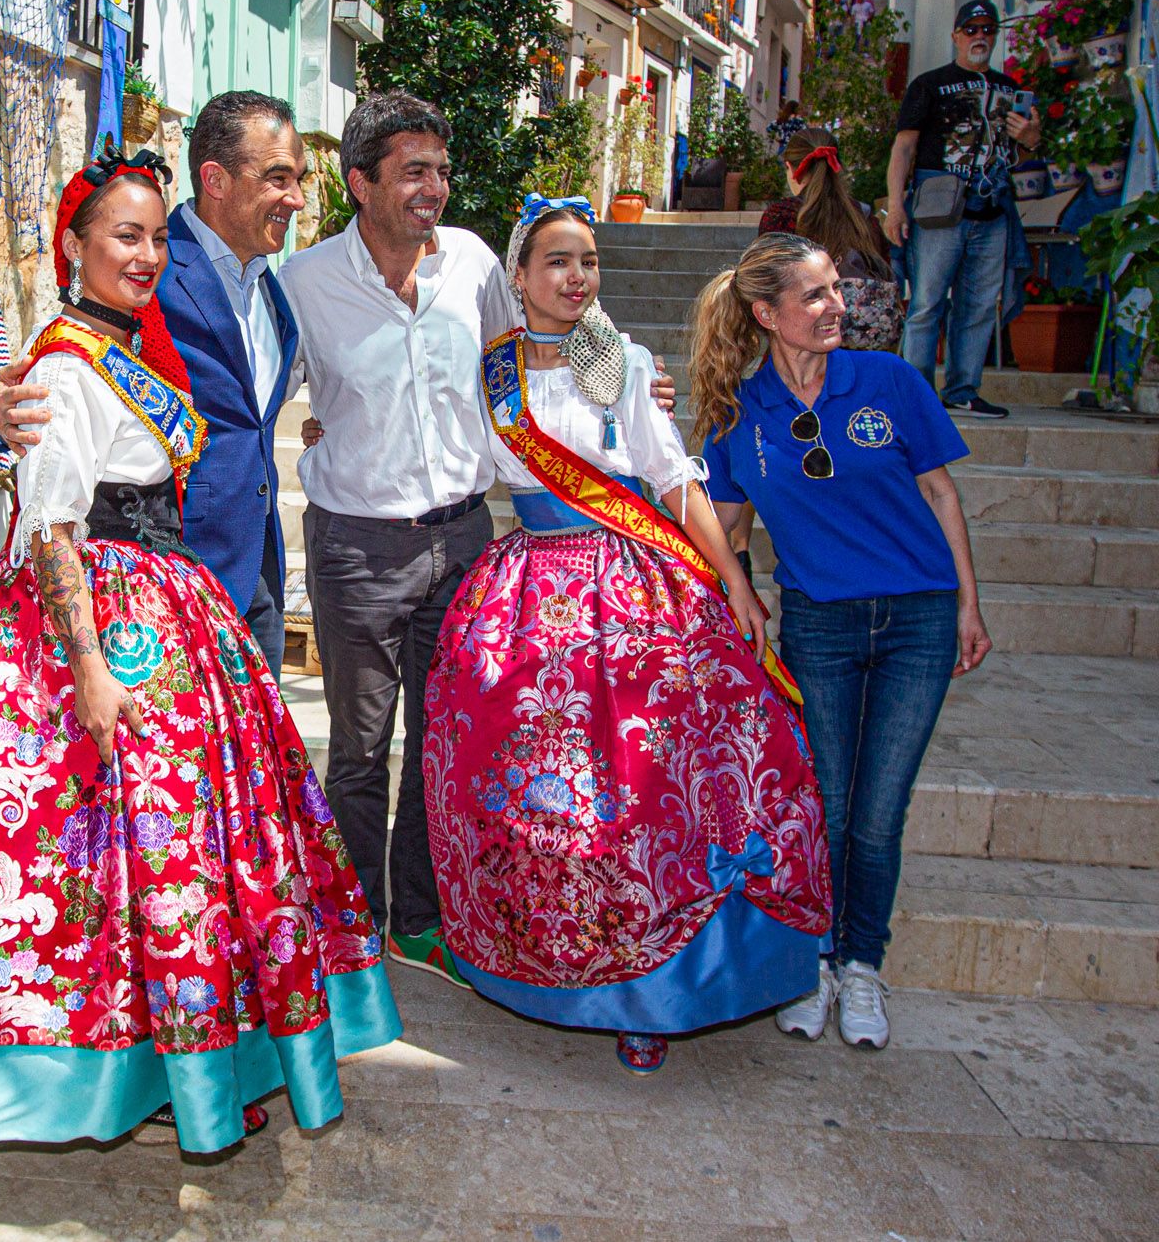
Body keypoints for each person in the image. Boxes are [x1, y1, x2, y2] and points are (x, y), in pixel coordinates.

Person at [0, 153, 398, 1156]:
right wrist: (93, 671)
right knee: (119, 857)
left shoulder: (163, 332)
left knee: (175, 860)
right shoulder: (67, 362)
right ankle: (122, 1072)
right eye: (126, 235)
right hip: (97, 625)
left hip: (182, 596)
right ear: (73, 245)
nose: (148, 253)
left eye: (157, 235)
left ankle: (178, 1062)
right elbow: (52, 524)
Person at [419, 196, 831, 1076]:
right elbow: (446, 455)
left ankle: (656, 992)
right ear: (520, 277)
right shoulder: (490, 372)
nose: (577, 278)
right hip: (528, 600)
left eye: (590, 261)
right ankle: (553, 963)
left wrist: (731, 578)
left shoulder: (627, 361)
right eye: (558, 262)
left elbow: (673, 478)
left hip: (634, 593)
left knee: (651, 793)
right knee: (546, 801)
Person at [282, 92, 679, 984]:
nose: (435, 188)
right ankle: (353, 924)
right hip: (357, 547)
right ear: (360, 182)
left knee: (440, 742)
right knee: (357, 747)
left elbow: (545, 336)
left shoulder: (468, 261)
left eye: (443, 171)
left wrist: (628, 380)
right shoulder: (304, 284)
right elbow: (257, 391)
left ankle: (419, 920)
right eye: (414, 170)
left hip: (464, 538)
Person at [692, 233, 991, 1051]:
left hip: (918, 619)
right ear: (767, 313)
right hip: (819, 622)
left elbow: (941, 492)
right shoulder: (740, 410)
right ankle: (813, 961)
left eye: (837, 291)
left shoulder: (888, 379)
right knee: (820, 802)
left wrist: (968, 603)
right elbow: (725, 525)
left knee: (878, 811)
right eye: (817, 294)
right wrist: (741, 585)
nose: (838, 307)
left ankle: (863, 964)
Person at [0, 93, 307, 673]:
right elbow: (60, 365)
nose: (297, 198)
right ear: (215, 179)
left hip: (249, 570)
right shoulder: (140, 269)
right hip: (144, 595)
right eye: (278, 177)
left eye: (299, 178)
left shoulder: (274, 287)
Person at [885, 0, 1043, 419]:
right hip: (939, 209)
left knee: (977, 307)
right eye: (971, 29)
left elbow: (1023, 158)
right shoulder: (930, 84)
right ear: (956, 35)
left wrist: (1030, 136)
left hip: (992, 211)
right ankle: (918, 394)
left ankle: (963, 389)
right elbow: (904, 147)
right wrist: (895, 206)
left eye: (987, 29)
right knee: (926, 302)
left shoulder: (1010, 90)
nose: (980, 36)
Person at [758, 127, 902, 354]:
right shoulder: (864, 217)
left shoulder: (782, 216)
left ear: (791, 168)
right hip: (864, 346)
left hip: (800, 353)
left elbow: (767, 283)